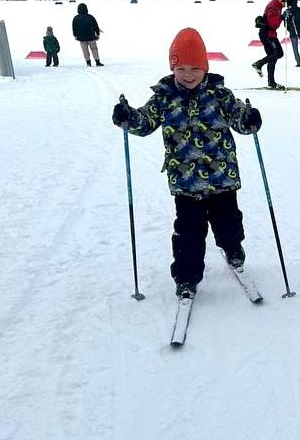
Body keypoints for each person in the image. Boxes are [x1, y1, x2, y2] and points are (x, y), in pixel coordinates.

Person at [111, 27, 263, 298]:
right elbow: (144, 122)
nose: (188, 75)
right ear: (172, 68)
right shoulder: (164, 97)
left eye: (194, 68)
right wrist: (127, 116)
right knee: (188, 234)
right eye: (181, 69)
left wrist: (249, 120)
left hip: (222, 178)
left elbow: (239, 117)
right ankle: (186, 277)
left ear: (205, 67)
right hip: (185, 182)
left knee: (229, 224)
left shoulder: (219, 94)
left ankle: (233, 249)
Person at [252, 0, 286, 90]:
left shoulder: (277, 5)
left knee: (273, 57)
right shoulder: (273, 7)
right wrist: (282, 17)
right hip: (267, 34)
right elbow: (272, 24)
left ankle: (271, 82)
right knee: (278, 53)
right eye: (285, 4)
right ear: (282, 0)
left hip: (270, 34)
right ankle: (259, 64)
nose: (285, 6)